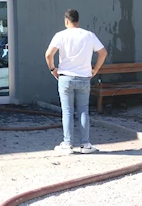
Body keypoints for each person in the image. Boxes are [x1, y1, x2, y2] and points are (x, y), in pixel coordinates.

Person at [44, 9, 108, 154]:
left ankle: (67, 144)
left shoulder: (60, 35)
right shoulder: (89, 35)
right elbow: (103, 52)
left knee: (67, 111)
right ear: (78, 21)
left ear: (66, 21)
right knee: (83, 111)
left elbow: (48, 54)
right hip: (84, 78)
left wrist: (53, 70)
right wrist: (95, 70)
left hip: (65, 77)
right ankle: (85, 144)